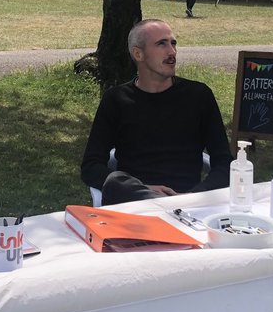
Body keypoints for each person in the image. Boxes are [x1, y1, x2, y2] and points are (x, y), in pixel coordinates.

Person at [81, 19, 231, 205]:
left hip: (189, 203)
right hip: (136, 204)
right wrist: (143, 189)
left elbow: (225, 163)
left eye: (173, 43)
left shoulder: (199, 96)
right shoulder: (117, 100)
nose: (172, 52)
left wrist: (195, 196)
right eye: (162, 44)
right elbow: (91, 167)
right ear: (138, 53)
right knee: (115, 182)